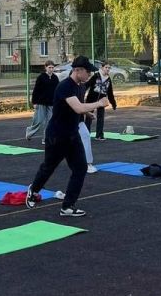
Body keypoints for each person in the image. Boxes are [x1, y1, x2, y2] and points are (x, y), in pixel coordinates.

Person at [25, 56, 109, 217]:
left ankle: (67, 206)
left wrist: (88, 113)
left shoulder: (80, 86)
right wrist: (98, 104)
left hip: (72, 134)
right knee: (48, 167)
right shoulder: (65, 87)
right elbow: (77, 107)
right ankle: (33, 190)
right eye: (88, 71)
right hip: (57, 135)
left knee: (80, 168)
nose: (90, 74)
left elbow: (76, 108)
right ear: (78, 71)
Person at [25, 60, 58, 142]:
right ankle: (29, 133)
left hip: (51, 103)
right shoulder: (41, 77)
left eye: (52, 67)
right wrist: (34, 102)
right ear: (45, 67)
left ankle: (46, 138)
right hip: (41, 102)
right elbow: (36, 90)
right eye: (49, 67)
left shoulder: (55, 78)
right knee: (38, 121)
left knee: (50, 122)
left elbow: (57, 90)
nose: (51, 69)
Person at [84, 62, 117, 139]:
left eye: (109, 68)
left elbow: (110, 92)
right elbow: (87, 85)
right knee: (89, 117)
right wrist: (80, 93)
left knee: (101, 117)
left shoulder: (108, 79)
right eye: (106, 67)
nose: (108, 69)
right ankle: (86, 134)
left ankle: (99, 135)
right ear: (102, 68)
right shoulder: (96, 76)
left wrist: (113, 103)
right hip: (91, 99)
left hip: (102, 100)